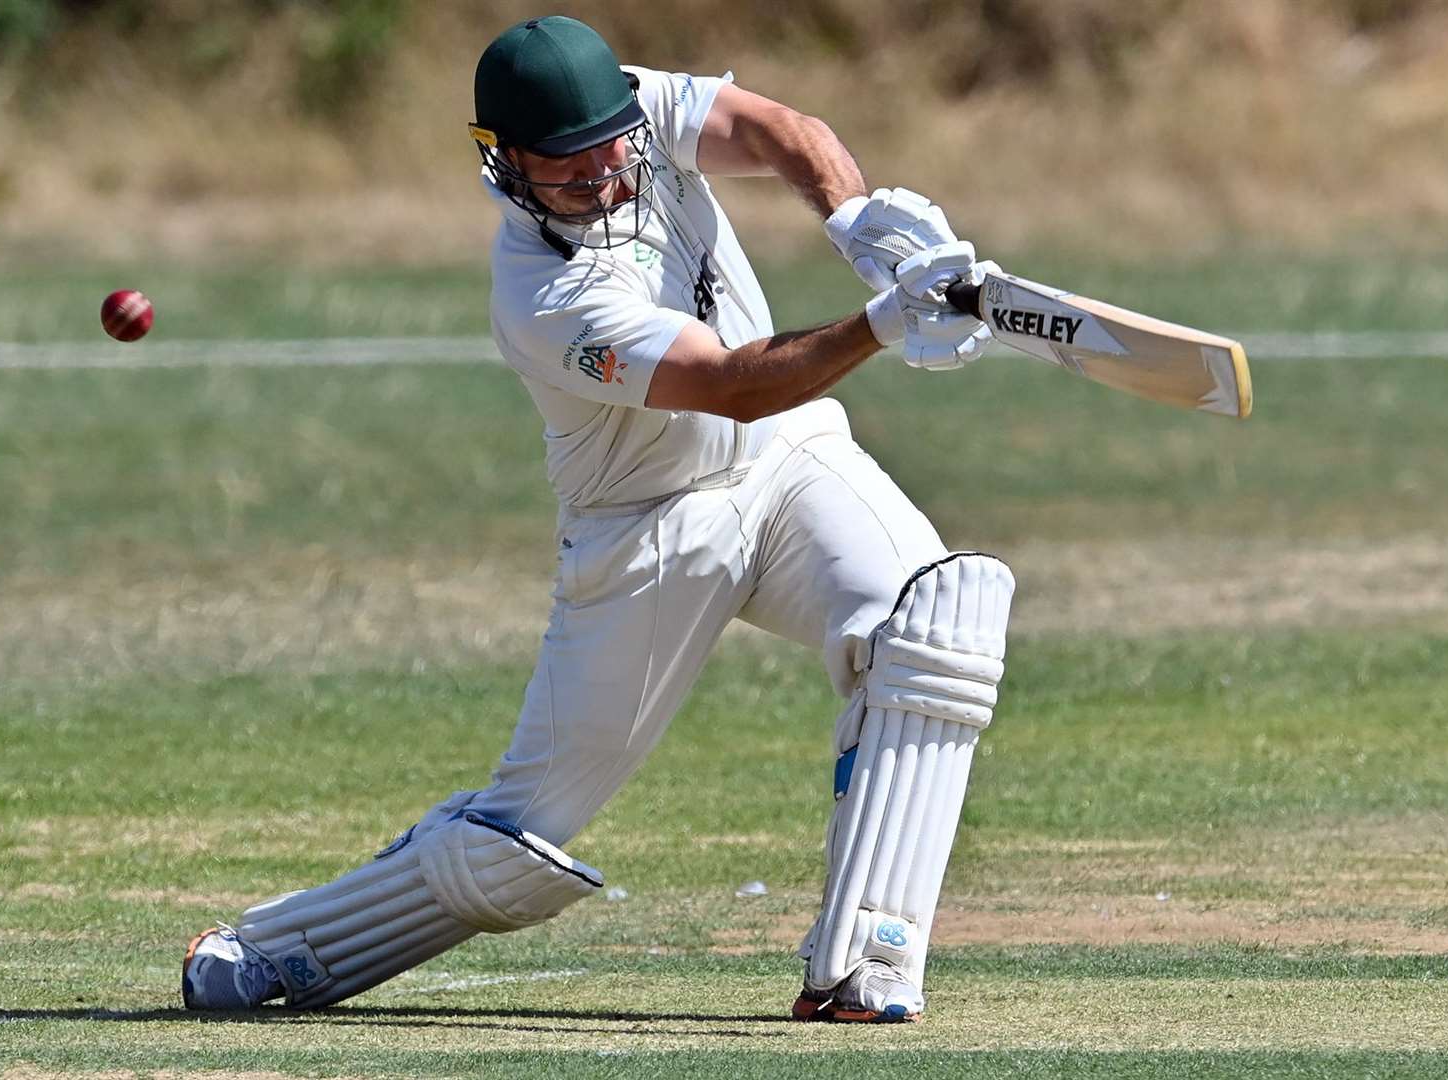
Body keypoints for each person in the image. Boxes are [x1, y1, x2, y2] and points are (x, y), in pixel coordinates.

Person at [182, 15, 1014, 1023]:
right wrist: (885, 321)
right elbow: (728, 385)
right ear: (506, 164)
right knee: (519, 841)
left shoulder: (632, 107)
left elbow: (776, 130)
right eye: (563, 168)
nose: (600, 177)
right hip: (649, 532)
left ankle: (864, 962)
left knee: (932, 623)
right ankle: (278, 945)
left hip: (790, 461)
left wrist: (857, 226)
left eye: (606, 150)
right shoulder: (544, 296)